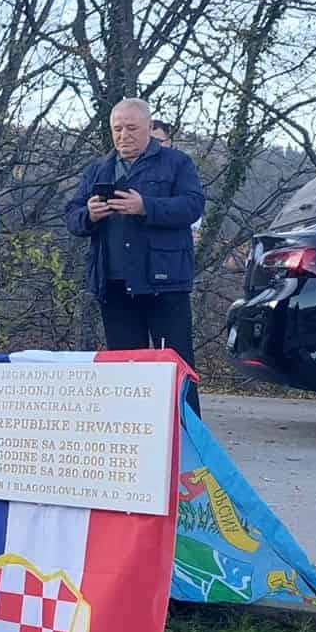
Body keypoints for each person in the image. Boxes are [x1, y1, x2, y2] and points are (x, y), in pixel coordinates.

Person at [66, 97, 207, 407]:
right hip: (114, 284)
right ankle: (131, 428)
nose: (123, 135)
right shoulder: (98, 168)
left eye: (131, 128)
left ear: (149, 126)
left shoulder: (176, 162)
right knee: (125, 370)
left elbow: (193, 205)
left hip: (165, 282)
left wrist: (146, 207)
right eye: (117, 129)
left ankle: (186, 431)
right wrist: (89, 214)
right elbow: (72, 217)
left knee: (176, 366)